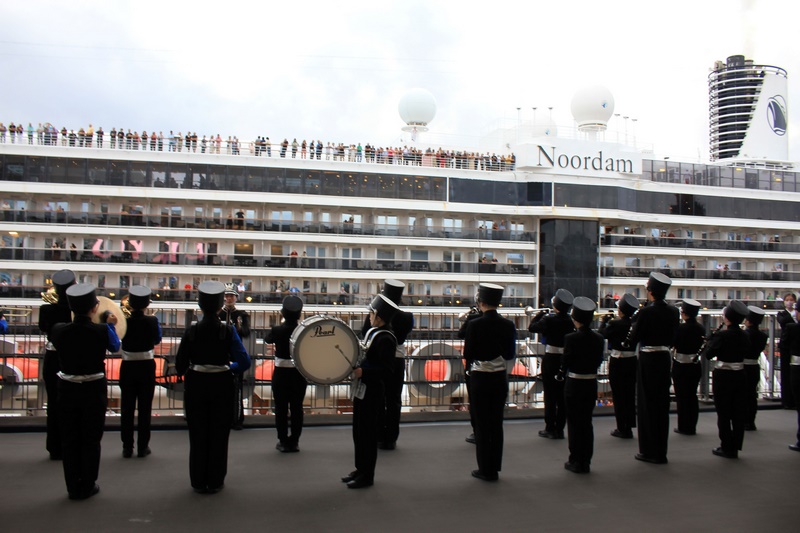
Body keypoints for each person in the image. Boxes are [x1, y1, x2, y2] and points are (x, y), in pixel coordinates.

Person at [176, 281, 250, 494]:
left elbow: (181, 366)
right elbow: (244, 362)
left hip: (196, 384)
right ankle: (215, 480)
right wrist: (229, 367)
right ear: (220, 306)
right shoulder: (227, 331)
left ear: (200, 306)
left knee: (198, 433)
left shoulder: (191, 331)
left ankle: (198, 480)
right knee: (218, 433)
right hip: (222, 384)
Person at [50, 283, 121, 500]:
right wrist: (108, 325)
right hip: (93, 387)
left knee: (70, 438)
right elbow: (115, 345)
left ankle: (73, 486)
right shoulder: (100, 330)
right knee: (91, 437)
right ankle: (88, 484)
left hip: (67, 387)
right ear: (94, 308)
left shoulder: (58, 329)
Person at [342, 294, 400, 489]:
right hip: (363, 389)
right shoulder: (374, 333)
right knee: (358, 432)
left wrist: (363, 371)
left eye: (372, 313)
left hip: (373, 390)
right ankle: (360, 469)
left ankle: (367, 475)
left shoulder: (386, 338)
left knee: (367, 434)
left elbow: (387, 369)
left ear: (380, 316)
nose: (369, 316)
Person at [624, 272, 679, 464]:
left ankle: (648, 450)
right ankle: (660, 450)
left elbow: (634, 338)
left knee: (647, 405)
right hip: (665, 358)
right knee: (661, 405)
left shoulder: (646, 312)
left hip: (648, 359)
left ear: (650, 292)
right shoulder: (674, 311)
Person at [463, 283, 517, 481]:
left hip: (480, 377)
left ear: (481, 302)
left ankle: (485, 469)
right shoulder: (508, 325)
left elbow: (468, 354)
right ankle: (495, 466)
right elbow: (510, 353)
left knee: (483, 424)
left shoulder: (474, 324)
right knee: (496, 423)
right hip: (499, 377)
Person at [360, 279, 412, 450]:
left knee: (379, 398)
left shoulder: (378, 314)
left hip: (379, 358)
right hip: (398, 360)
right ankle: (391, 437)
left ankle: (379, 435)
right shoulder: (406, 317)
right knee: (394, 399)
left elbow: (365, 331)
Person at [702, 301, 750, 459]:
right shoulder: (744, 335)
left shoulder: (722, 335)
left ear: (727, 318)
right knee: (737, 412)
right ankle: (736, 446)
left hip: (723, 375)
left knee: (723, 412)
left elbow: (708, 355)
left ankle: (726, 446)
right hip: (740, 374)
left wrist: (710, 341)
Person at [562, 296, 604, 474]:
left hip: (575, 382)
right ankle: (586, 460)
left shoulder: (570, 338)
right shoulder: (599, 338)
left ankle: (575, 459)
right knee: (587, 422)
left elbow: (566, 362)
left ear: (575, 319)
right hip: (590, 382)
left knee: (574, 422)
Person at [119, 286, 162, 458]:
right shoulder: (152, 321)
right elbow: (157, 339)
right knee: (145, 408)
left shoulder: (123, 320)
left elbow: (117, 339)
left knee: (127, 407)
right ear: (146, 304)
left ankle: (127, 447)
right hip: (146, 365)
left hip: (128, 365)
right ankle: (143, 447)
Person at [37, 269, 76, 460]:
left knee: (53, 402)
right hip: (71, 356)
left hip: (52, 357)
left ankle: (54, 446)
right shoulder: (76, 309)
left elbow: (43, 328)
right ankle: (70, 444)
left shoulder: (46, 309)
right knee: (71, 404)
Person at [528, 289, 575, 439]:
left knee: (550, 395)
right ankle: (560, 429)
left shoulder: (549, 320)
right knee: (562, 397)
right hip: (565, 359)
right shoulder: (571, 320)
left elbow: (532, 327)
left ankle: (550, 427)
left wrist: (540, 314)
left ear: (556, 306)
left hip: (551, 358)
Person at [266, 295, 306, 453]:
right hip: (298, 373)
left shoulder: (277, 330)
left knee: (281, 408)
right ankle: (294, 440)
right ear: (299, 314)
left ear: (283, 313)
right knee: (297, 408)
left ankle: (282, 440)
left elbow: (268, 340)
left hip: (281, 373)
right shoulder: (302, 330)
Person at [598, 293, 639, 439]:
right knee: (629, 395)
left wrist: (604, 321)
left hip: (618, 361)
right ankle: (629, 425)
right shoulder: (635, 324)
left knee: (619, 395)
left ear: (620, 310)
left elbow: (602, 334)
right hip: (632, 361)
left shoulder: (615, 324)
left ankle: (622, 428)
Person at [219, 284, 251, 430]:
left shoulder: (242, 315)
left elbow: (246, 332)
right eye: (226, 296)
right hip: (221, 354)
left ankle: (237, 419)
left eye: (231, 296)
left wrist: (238, 327)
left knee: (237, 389)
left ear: (236, 298)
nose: (228, 298)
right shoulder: (218, 314)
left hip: (236, 355)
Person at [671, 299, 706, 436]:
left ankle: (683, 426)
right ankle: (692, 426)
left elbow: (673, 343)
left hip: (681, 364)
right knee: (692, 396)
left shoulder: (680, 328)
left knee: (681, 397)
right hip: (695, 364)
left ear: (684, 313)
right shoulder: (700, 328)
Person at [458, 299, 483, 443]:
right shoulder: (503, 321)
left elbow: (461, 334)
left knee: (475, 401)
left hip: (474, 365)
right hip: (496, 368)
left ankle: (477, 431)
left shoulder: (473, 319)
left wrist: (470, 317)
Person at [742, 306, 768, 431]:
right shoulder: (763, 336)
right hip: (754, 366)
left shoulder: (744, 334)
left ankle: (744, 420)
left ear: (748, 321)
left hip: (743, 366)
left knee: (742, 395)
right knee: (752, 395)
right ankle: (751, 421)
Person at [777, 292, 798, 409]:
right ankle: (786, 400)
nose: (789, 302)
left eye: (791, 300)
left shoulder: (796, 313)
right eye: (787, 300)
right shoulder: (781, 313)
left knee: (794, 373)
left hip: (795, 345)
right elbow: (783, 322)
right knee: (785, 373)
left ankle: (794, 399)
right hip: (785, 345)